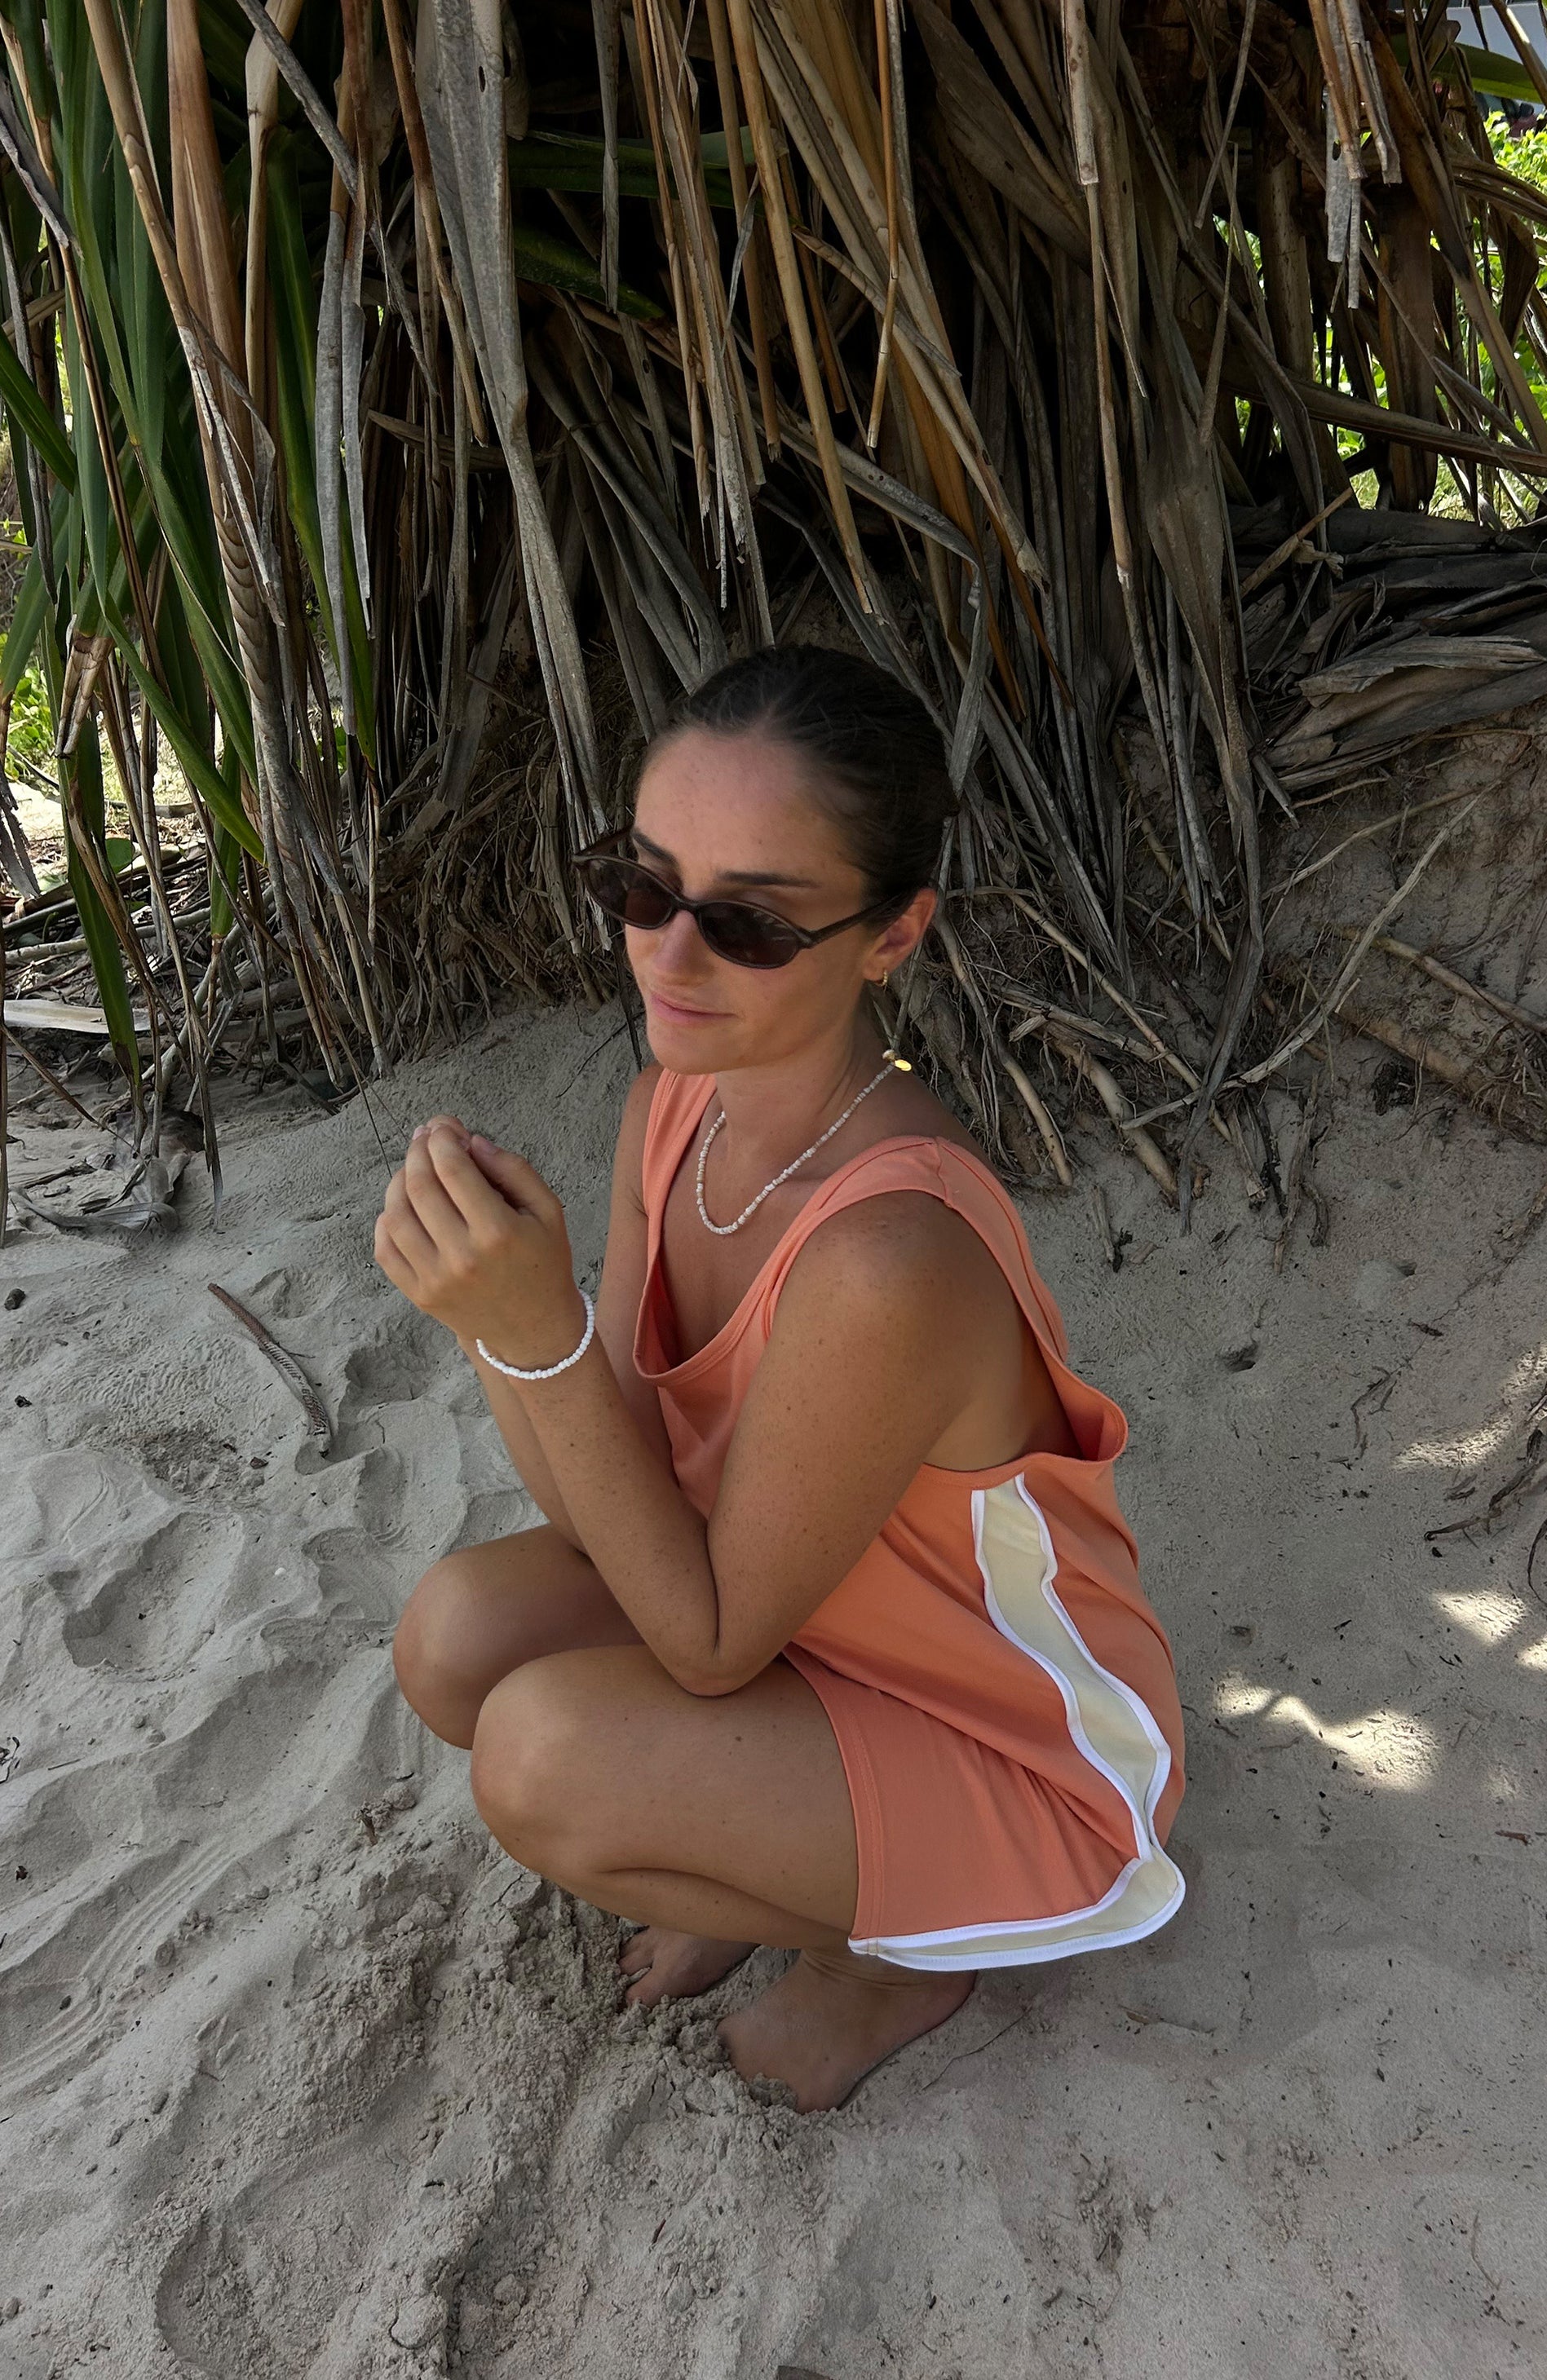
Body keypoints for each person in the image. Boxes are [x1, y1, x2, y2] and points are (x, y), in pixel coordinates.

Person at [377, 647, 1185, 2113]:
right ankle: (766, 1857)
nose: (667, 957)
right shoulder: (669, 1112)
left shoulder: (887, 1255)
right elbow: (595, 1498)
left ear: (891, 936)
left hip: (1014, 1748)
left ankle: (897, 1960)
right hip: (806, 1637)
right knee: (457, 1637)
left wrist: (531, 1323)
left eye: (747, 921)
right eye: (642, 886)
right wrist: (501, 1324)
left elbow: (704, 1649)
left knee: (547, 1760)